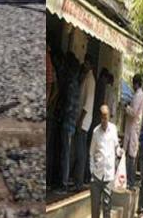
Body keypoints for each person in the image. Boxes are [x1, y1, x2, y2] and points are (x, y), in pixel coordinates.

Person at [89, 105, 119, 218]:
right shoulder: (96, 132)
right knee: (95, 208)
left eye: (106, 118)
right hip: (97, 175)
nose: (104, 120)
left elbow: (116, 147)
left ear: (109, 117)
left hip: (109, 175)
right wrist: (92, 171)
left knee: (107, 207)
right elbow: (91, 153)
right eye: (102, 117)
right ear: (100, 117)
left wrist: (119, 151)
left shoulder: (114, 129)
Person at [60, 56, 85, 190]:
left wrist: (61, 110)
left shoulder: (71, 84)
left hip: (67, 123)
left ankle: (64, 183)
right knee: (67, 153)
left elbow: (69, 106)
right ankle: (65, 180)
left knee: (66, 153)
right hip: (72, 124)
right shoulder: (76, 84)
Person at [73, 58, 96, 190]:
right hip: (83, 120)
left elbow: (87, 103)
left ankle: (78, 182)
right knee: (80, 152)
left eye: (87, 62)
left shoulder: (90, 80)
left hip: (83, 122)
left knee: (81, 153)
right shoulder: (87, 78)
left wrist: (80, 120)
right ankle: (78, 181)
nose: (84, 64)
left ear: (90, 64)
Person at [123, 74, 143, 189]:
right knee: (130, 154)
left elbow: (134, 112)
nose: (133, 85)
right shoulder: (137, 95)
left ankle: (130, 181)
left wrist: (126, 108)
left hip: (133, 129)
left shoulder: (139, 95)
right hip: (132, 128)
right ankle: (128, 180)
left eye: (133, 83)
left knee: (131, 155)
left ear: (136, 83)